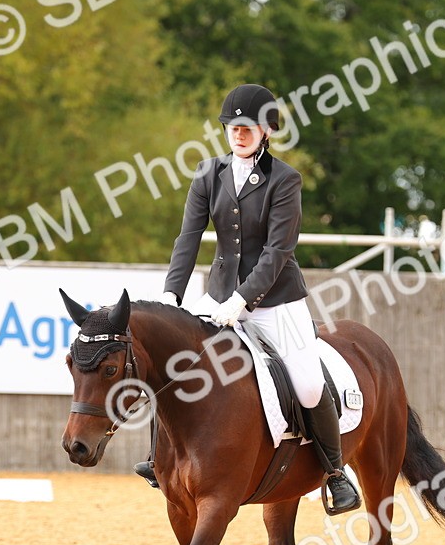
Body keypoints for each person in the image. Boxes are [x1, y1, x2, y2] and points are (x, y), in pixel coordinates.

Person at [138, 83, 360, 513]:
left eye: (247, 127)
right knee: (169, 356)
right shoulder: (207, 174)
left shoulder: (285, 180)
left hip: (276, 300)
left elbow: (278, 251)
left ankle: (335, 473)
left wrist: (241, 302)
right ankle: (158, 457)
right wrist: (171, 294)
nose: (238, 134)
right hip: (216, 294)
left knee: (310, 384)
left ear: (265, 131)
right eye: (231, 127)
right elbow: (188, 238)